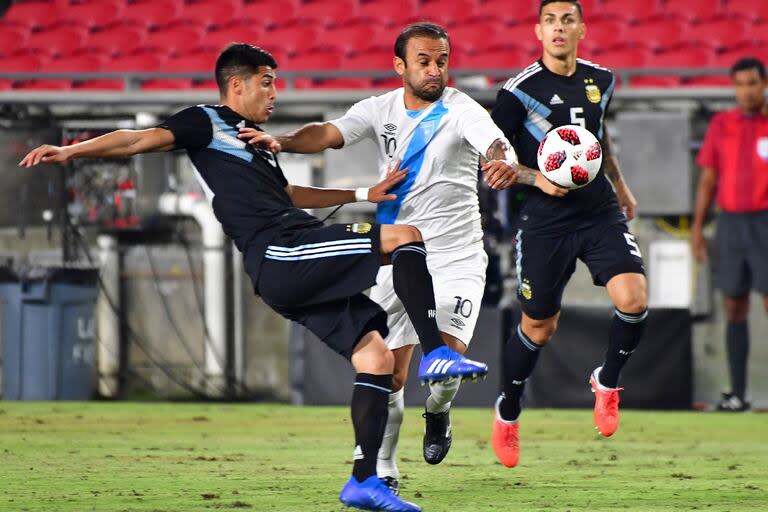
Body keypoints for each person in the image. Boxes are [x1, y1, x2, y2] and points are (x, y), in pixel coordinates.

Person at [19, 43, 491, 512]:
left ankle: (364, 481)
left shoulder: (253, 142)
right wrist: (70, 150)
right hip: (282, 250)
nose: (274, 93)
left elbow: (288, 194)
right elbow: (135, 140)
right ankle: (435, 355)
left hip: (288, 260)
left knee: (375, 357)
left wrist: (364, 191)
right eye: (267, 82)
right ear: (237, 84)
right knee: (405, 236)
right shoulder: (205, 121)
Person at [238, 22, 549, 494]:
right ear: (400, 65)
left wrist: (501, 158)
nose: (434, 69)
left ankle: (439, 412)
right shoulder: (378, 109)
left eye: (441, 60)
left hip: (457, 257)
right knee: (392, 370)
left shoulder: (461, 109)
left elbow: (493, 141)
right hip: (398, 255)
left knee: (446, 363)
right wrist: (282, 141)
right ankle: (384, 466)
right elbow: (327, 132)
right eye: (423, 61)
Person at [489, 0, 648, 468]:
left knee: (634, 298)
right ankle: (509, 410)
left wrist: (621, 187)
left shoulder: (602, 80)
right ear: (538, 31)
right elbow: (491, 159)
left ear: (582, 28)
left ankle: (607, 380)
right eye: (551, 21)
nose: (559, 28)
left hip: (598, 210)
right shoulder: (517, 92)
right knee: (539, 325)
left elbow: (597, 138)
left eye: (568, 20)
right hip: (544, 220)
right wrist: (535, 178)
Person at [692, 57, 768, 412]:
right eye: (740, 84)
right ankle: (738, 393)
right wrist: (697, 229)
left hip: (765, 222)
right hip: (730, 224)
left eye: (752, 83)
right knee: (734, 306)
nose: (747, 91)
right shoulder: (723, 124)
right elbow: (708, 179)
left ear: (763, 84)